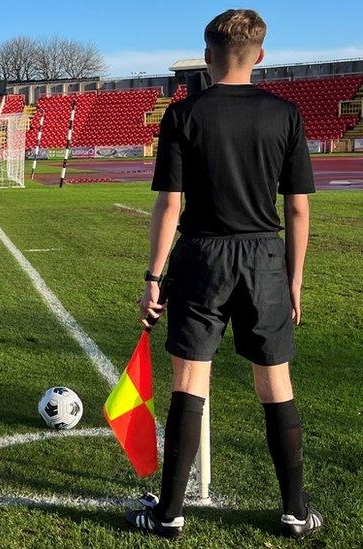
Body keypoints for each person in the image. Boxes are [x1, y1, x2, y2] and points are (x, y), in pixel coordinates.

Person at [127, 9, 321, 540]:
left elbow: (170, 205)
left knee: (190, 382)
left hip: (202, 258)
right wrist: (294, 278)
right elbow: (298, 209)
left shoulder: (183, 115)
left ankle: (168, 515)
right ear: (259, 56)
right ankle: (295, 513)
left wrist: (153, 276)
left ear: (208, 56)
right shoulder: (286, 114)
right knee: (275, 382)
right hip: (264, 259)